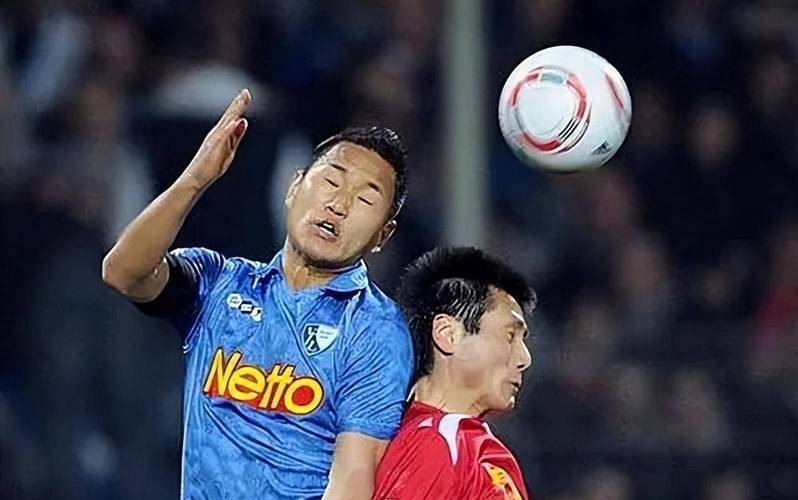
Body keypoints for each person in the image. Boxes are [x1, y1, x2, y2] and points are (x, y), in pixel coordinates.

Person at [102, 89, 413, 499]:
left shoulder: (376, 329)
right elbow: (123, 273)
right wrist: (195, 180)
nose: (339, 204)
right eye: (331, 181)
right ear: (294, 187)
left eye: (366, 199)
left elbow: (353, 479)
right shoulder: (219, 283)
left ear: (382, 236)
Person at [374, 247, 535, 499]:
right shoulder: (433, 442)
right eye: (509, 336)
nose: (525, 359)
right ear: (448, 334)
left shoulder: (466, 445)